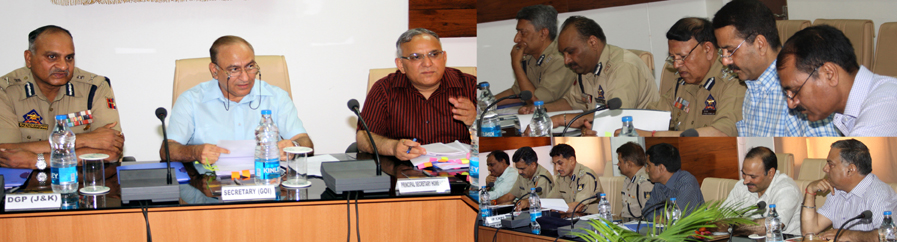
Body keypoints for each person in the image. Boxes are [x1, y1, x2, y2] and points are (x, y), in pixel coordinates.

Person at [164, 35, 313, 164]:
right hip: (209, 187)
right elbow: (167, 150)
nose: (245, 77)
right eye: (234, 69)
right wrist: (195, 152)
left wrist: (292, 146)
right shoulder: (191, 100)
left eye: (250, 66)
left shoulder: (277, 97)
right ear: (215, 71)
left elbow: (305, 142)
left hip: (266, 181)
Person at [0, 25, 123, 169]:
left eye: (69, 58)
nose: (64, 66)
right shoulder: (5, 91)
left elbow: (111, 151)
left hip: (80, 183)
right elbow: (5, 152)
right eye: (52, 57)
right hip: (22, 186)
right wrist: (82, 141)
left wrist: (36, 160)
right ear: (29, 58)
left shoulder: (95, 87)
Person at [711, 0, 839, 137]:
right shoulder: (753, 89)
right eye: (722, 53)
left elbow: (822, 155)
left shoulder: (804, 89)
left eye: (730, 50)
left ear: (760, 44)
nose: (725, 61)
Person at [356, 28, 477, 161]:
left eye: (434, 54)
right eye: (416, 57)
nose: (427, 63)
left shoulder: (471, 86)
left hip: (460, 172)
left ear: (444, 57)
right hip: (404, 172)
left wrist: (476, 122)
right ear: (401, 65)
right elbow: (363, 138)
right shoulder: (384, 89)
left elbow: (496, 140)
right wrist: (393, 147)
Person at [526, 16, 659, 132]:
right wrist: (541, 110)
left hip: (639, 136)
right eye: (563, 54)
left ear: (592, 42)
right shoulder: (586, 67)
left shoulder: (623, 67)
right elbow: (572, 101)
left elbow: (615, 115)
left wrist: (560, 120)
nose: (566, 61)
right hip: (605, 132)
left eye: (571, 52)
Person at [777, 25, 897, 136]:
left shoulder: (884, 103)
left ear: (829, 74)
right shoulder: (846, 115)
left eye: (795, 91)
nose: (791, 104)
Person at [640, 17, 746, 137]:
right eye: (673, 58)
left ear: (708, 50)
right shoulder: (681, 82)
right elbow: (654, 116)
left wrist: (655, 135)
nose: (676, 65)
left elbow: (722, 132)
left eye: (682, 57)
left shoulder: (734, 81)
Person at [801, 139, 897, 241]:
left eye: (831, 164)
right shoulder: (838, 191)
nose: (825, 169)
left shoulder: (879, 195)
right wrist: (810, 191)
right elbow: (809, 231)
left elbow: (888, 236)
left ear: (850, 170)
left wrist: (846, 235)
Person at [493, 4, 575, 108]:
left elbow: (535, 103)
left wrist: (516, 64)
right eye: (517, 32)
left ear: (543, 33)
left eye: (523, 33)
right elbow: (517, 92)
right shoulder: (529, 56)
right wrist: (482, 104)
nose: (516, 39)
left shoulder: (561, 59)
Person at [722, 147, 801, 236]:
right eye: (744, 173)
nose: (746, 181)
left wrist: (733, 226)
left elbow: (773, 226)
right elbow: (721, 219)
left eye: (753, 176)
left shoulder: (787, 189)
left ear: (770, 173)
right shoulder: (741, 186)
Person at [642, 143, 704, 221]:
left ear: (661, 168)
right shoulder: (659, 184)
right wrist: (660, 219)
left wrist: (660, 218)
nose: (646, 170)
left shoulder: (686, 183)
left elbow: (677, 219)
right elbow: (647, 210)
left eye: (649, 165)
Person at [496, 146, 558, 211]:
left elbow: (536, 202)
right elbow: (510, 196)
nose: (519, 172)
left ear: (533, 165)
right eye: (518, 168)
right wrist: (493, 202)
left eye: (522, 168)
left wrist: (525, 202)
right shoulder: (522, 175)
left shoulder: (543, 178)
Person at [548, 143, 602, 214]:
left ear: (572, 161)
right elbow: (550, 201)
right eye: (555, 164)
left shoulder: (586, 176)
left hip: (592, 220)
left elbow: (577, 206)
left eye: (560, 163)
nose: (557, 168)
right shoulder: (561, 177)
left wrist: (555, 209)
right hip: (571, 218)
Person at [616, 142, 654, 219]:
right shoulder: (628, 180)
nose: (618, 164)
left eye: (620, 162)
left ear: (629, 164)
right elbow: (626, 211)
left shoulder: (644, 183)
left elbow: (650, 215)